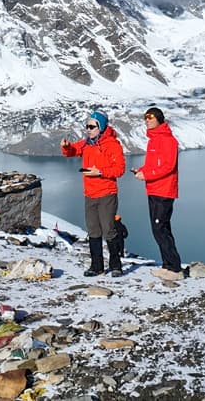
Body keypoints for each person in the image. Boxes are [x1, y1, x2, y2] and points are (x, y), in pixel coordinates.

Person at [60, 109, 126, 277]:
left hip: (107, 194)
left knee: (108, 230)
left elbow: (119, 169)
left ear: (101, 127)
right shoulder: (86, 143)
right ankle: (97, 266)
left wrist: (100, 172)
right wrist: (66, 147)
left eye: (91, 126)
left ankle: (116, 265)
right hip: (90, 194)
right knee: (93, 231)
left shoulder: (112, 145)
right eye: (87, 126)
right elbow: (72, 152)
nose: (88, 129)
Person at [133, 106, 184, 280]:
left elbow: (168, 166)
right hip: (154, 189)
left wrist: (146, 174)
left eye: (150, 117)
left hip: (164, 191)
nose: (146, 120)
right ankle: (167, 266)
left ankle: (175, 269)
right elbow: (154, 164)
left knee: (160, 229)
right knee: (161, 229)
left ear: (159, 119)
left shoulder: (168, 140)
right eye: (145, 117)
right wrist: (140, 170)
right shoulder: (153, 140)